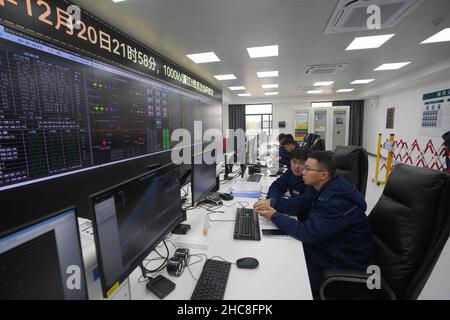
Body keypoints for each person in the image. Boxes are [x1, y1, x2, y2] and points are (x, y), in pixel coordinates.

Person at [254, 151, 374, 298]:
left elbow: (307, 233)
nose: (302, 172)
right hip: (327, 250)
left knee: (279, 280)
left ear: (323, 175)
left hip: (340, 267)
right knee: (276, 259)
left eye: (308, 169)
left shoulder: (336, 202)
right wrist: (273, 203)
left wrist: (274, 215)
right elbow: (301, 203)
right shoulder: (323, 187)